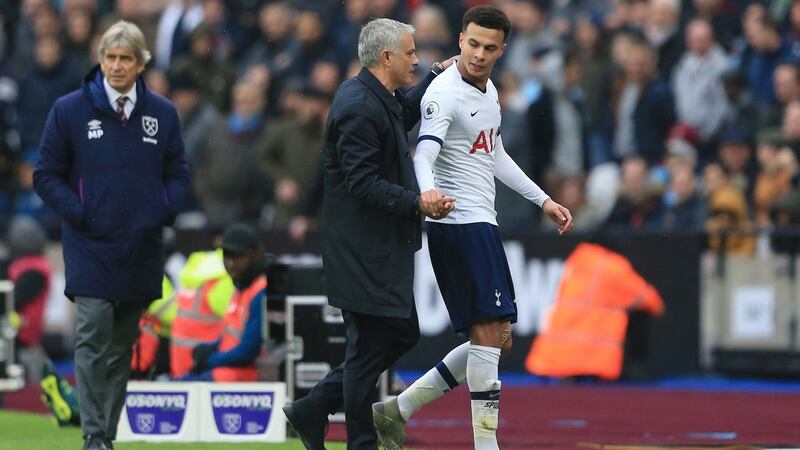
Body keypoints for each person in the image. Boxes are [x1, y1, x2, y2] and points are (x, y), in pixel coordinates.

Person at [371, 6, 573, 450]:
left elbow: (494, 154)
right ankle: (486, 445)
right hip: (458, 223)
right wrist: (428, 195)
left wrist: (543, 200)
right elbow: (422, 154)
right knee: (488, 339)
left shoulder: (489, 91)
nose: (479, 54)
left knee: (498, 341)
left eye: (489, 47)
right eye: (473, 44)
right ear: (460, 40)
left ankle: (395, 410)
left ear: (502, 50)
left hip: (483, 222)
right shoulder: (443, 94)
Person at [281, 17, 457, 450]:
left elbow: (400, 114)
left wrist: (436, 76)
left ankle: (313, 407)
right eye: (412, 54)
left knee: (401, 333)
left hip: (375, 245)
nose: (417, 60)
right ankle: (360, 442)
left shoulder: (373, 96)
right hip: (360, 248)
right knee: (366, 351)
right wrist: (418, 201)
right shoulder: (359, 106)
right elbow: (362, 183)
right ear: (386, 57)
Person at [33, 20, 190, 450]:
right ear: (100, 60)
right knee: (93, 336)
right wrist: (79, 213)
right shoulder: (69, 110)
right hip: (89, 244)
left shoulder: (162, 113)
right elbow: (45, 175)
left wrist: (164, 209)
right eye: (110, 58)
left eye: (125, 59)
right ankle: (94, 435)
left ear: (141, 64)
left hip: (141, 246)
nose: (116, 66)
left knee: (121, 349)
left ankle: (105, 434)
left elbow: (178, 172)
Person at [178, 223, 267, 382]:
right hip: (227, 370)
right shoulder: (242, 287)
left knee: (178, 389)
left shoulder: (260, 293)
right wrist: (209, 348)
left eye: (238, 257)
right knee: (176, 385)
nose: (231, 264)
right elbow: (230, 335)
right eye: (227, 257)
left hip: (242, 375)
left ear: (254, 255)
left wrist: (209, 359)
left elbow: (248, 351)